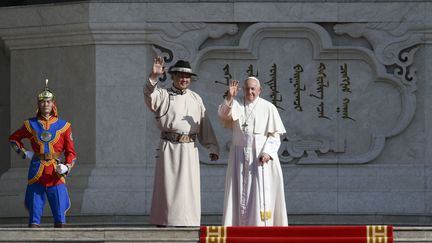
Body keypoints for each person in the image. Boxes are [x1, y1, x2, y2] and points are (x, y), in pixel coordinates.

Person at [143, 56, 219, 227]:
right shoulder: (163, 94)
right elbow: (149, 96)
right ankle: (164, 221)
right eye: (180, 76)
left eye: (187, 77)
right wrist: (154, 76)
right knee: (167, 186)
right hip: (169, 147)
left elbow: (204, 123)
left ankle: (188, 222)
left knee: (188, 187)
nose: (184, 80)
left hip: (189, 149)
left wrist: (212, 146)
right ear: (173, 77)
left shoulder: (196, 98)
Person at [218, 77, 288, 226]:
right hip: (239, 158)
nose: (250, 92)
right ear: (243, 89)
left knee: (259, 196)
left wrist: (267, 152)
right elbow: (223, 115)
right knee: (237, 195)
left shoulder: (268, 107)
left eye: (253, 89)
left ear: (259, 90)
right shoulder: (235, 105)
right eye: (247, 88)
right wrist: (230, 96)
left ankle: (260, 229)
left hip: (260, 159)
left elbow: (275, 135)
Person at [9, 79, 76, 228]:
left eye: (48, 101)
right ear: (38, 104)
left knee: (60, 215)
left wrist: (66, 167)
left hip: (55, 172)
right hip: (36, 170)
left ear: (53, 104)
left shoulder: (64, 126)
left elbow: (72, 153)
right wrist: (25, 153)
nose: (45, 104)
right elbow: (13, 139)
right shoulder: (30, 124)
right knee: (34, 217)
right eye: (42, 101)